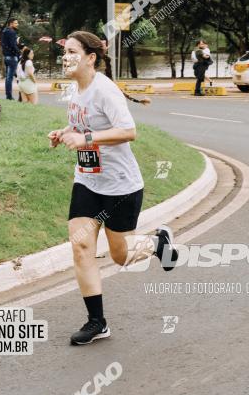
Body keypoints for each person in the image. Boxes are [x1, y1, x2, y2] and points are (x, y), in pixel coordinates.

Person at [47, 31, 179, 345]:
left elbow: (129, 131)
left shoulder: (104, 90)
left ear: (90, 58)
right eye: (64, 52)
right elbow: (83, 125)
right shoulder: (76, 90)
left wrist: (85, 140)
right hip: (88, 180)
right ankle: (97, 322)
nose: (66, 57)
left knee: (121, 256)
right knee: (81, 247)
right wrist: (64, 132)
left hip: (121, 186)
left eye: (73, 52)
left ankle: (158, 243)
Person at [1, 17, 21, 100]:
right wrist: (19, 52)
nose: (17, 24)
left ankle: (9, 95)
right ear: (11, 24)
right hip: (12, 57)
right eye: (16, 23)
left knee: (9, 77)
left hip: (6, 57)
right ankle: (19, 95)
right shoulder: (12, 32)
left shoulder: (5, 31)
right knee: (19, 76)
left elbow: (5, 44)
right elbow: (13, 45)